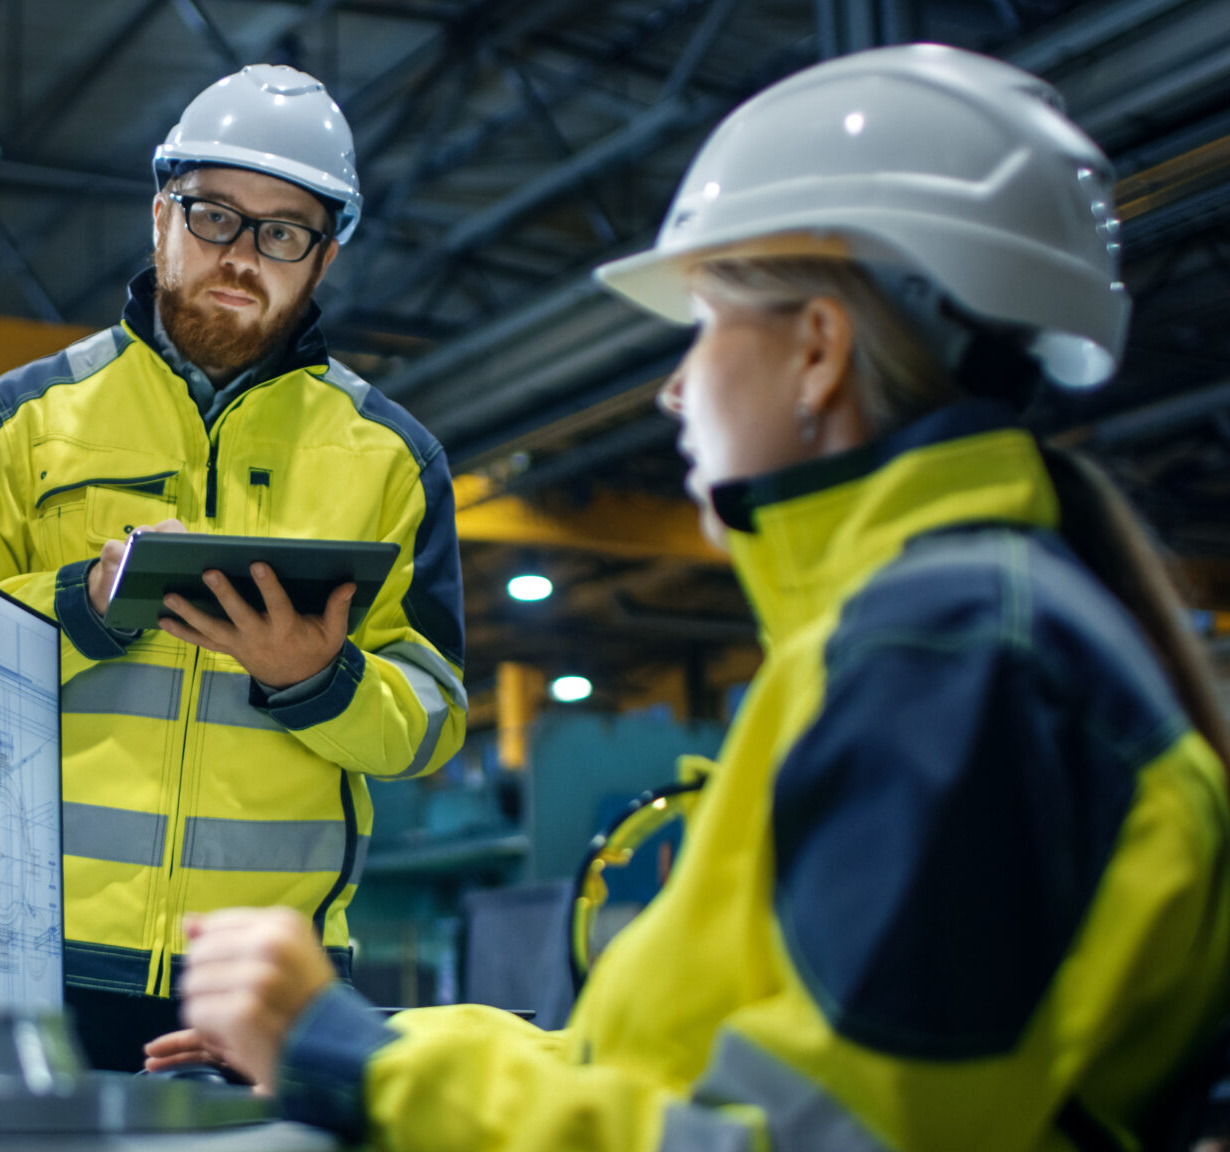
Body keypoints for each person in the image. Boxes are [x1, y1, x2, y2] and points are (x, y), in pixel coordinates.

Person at [154, 43, 1230, 1150]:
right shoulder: (922, 642)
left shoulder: (950, 660)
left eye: (705, 324)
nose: (673, 388)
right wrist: (360, 1045)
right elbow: (644, 1065)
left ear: (815, 350)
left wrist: (358, 1069)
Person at [0, 64, 468, 1072]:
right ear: (159, 212)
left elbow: (432, 719)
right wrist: (81, 606)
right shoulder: (19, 424)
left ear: (323, 256)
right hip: (16, 956)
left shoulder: (392, 459)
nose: (241, 256)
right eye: (213, 216)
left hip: (260, 984)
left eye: (282, 232)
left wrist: (318, 679)